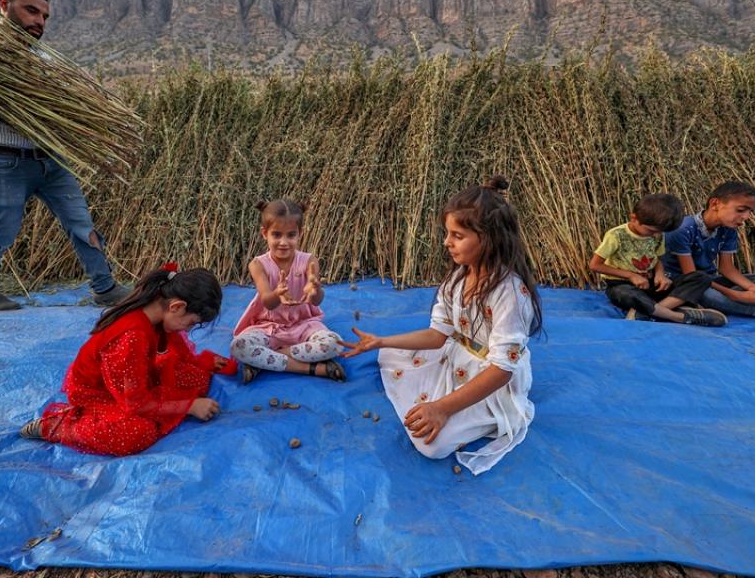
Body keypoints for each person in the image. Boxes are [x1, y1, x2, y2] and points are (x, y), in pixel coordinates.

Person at [0, 0, 126, 310]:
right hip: (3, 161)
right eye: (31, 11)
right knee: (2, 232)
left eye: (45, 16)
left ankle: (105, 288)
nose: (39, 21)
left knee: (82, 225)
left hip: (52, 160)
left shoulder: (46, 60)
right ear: (4, 4)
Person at [339, 176, 542, 474]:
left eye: (457, 235)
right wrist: (381, 341)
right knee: (389, 355)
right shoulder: (458, 277)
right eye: (447, 233)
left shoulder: (510, 293)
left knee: (430, 445)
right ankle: (449, 401)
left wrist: (441, 408)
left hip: (492, 378)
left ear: (489, 238)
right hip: (457, 357)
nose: (447, 242)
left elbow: (501, 370)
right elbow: (438, 335)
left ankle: (484, 415)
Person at [19, 265, 235, 456]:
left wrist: (207, 364)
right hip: (99, 392)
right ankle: (59, 425)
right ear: (176, 307)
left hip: (130, 379)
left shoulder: (158, 311)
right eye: (191, 323)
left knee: (195, 377)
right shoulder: (131, 337)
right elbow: (135, 404)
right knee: (137, 432)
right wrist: (188, 406)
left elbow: (182, 355)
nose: (187, 330)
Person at [230, 199, 345, 383]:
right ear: (264, 233)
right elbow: (268, 302)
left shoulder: (309, 261)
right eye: (276, 235)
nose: (283, 242)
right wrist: (277, 293)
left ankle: (265, 360)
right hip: (269, 327)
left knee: (335, 343)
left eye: (291, 235)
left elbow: (316, 301)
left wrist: (315, 289)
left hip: (304, 325)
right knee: (238, 346)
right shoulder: (258, 264)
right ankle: (312, 369)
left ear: (300, 234)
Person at [662, 181, 755, 324]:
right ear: (715, 204)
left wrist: (752, 288)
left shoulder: (728, 229)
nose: (746, 217)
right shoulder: (683, 229)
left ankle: (734, 301)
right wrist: (737, 295)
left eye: (750, 211)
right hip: (686, 286)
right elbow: (692, 277)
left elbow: (726, 268)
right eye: (740, 210)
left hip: (711, 281)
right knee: (709, 295)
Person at [589, 193, 726, 326]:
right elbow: (595, 265)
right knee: (626, 295)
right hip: (622, 284)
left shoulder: (658, 234)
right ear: (634, 218)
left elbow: (657, 259)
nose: (656, 235)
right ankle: (678, 316)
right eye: (651, 231)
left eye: (660, 232)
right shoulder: (616, 235)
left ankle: (650, 312)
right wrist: (631, 276)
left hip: (650, 285)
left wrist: (660, 275)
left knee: (701, 278)